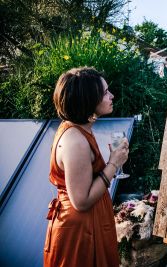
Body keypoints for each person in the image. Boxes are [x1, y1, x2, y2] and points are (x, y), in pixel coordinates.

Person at [44, 67, 129, 266]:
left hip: (89, 224)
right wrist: (114, 163)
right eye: (106, 92)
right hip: (80, 233)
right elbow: (81, 201)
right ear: (89, 99)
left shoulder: (78, 129)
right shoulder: (75, 141)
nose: (112, 96)